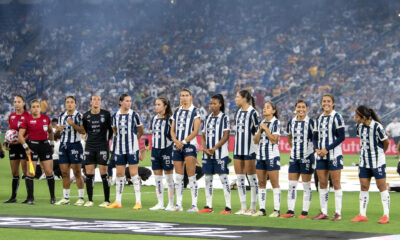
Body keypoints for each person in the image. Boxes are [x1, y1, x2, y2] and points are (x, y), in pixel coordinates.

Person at [351, 106, 390, 224]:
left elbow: (386, 142)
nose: (355, 119)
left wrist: (380, 154)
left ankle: (386, 215)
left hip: (377, 162)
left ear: (363, 117)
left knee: (381, 187)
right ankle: (362, 215)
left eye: (356, 116)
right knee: (363, 187)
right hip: (364, 162)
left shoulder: (377, 127)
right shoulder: (359, 127)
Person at [106, 94, 144, 210]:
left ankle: (138, 202)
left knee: (133, 174)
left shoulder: (134, 115)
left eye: (130, 101)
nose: (129, 103)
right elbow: (114, 130)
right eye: (127, 101)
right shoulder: (115, 116)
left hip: (132, 148)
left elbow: (140, 130)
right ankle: (118, 201)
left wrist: (133, 140)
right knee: (119, 174)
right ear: (120, 102)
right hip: (119, 148)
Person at [312, 94, 345, 221]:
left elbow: (342, 137)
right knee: (322, 183)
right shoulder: (318, 119)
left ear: (333, 104)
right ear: (321, 104)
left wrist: (327, 149)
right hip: (320, 156)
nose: (326, 103)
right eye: (324, 101)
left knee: (336, 183)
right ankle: (324, 212)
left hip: (334, 155)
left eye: (328, 101)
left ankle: (338, 213)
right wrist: (316, 149)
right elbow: (314, 137)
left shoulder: (337, 117)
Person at [280, 100, 314, 219]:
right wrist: (293, 148)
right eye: (298, 107)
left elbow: (315, 138)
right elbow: (289, 136)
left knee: (306, 185)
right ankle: (290, 211)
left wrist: (311, 151)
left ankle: (304, 212)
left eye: (303, 107)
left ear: (307, 109)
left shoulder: (310, 122)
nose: (301, 109)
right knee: (292, 185)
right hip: (294, 157)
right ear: (295, 108)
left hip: (307, 157)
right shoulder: (291, 122)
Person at [18, 99, 56, 204]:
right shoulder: (27, 119)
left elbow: (50, 132)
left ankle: (53, 198)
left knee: (49, 172)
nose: (35, 108)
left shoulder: (46, 118)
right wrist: (26, 148)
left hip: (45, 146)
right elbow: (20, 135)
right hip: (32, 147)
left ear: (40, 107)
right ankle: (30, 198)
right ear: (30, 109)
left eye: (37, 106)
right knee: (30, 173)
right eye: (33, 107)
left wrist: (52, 144)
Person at [199, 94, 232, 214]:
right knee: (207, 179)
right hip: (207, 154)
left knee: (223, 179)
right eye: (210, 103)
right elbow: (203, 135)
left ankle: (228, 207)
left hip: (220, 154)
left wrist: (214, 148)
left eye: (214, 103)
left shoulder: (224, 118)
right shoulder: (207, 118)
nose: (211, 105)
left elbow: (226, 135)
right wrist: (205, 148)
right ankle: (208, 205)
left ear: (220, 104)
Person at [170, 89, 201, 212]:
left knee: (191, 175)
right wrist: (176, 141)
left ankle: (194, 205)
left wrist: (183, 142)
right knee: (178, 177)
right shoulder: (177, 111)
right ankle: (178, 204)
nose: (184, 98)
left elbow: (195, 131)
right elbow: (172, 130)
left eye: (186, 95)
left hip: (189, 145)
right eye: (182, 96)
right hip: (177, 146)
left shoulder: (195, 111)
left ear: (191, 97)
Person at [82, 95, 113, 207]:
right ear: (91, 102)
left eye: (99, 99)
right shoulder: (86, 116)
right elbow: (85, 130)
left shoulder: (106, 114)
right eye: (94, 99)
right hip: (90, 146)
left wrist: (106, 142)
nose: (96, 101)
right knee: (89, 174)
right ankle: (90, 200)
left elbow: (111, 130)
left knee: (103, 173)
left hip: (102, 146)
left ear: (101, 102)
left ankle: (107, 200)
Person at [54, 96, 86, 206]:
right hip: (63, 145)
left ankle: (81, 197)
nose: (69, 104)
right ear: (65, 104)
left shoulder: (79, 116)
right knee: (64, 173)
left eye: (71, 102)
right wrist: (57, 131)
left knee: (77, 172)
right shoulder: (61, 116)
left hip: (75, 145)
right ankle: (66, 198)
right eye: (67, 102)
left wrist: (72, 124)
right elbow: (56, 135)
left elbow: (83, 131)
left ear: (75, 104)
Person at [233, 90, 260, 215]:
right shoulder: (238, 112)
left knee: (252, 178)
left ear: (244, 99)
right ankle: (243, 207)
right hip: (238, 149)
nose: (236, 99)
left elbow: (258, 131)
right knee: (240, 179)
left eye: (237, 97)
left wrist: (255, 147)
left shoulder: (253, 112)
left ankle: (253, 207)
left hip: (249, 149)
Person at [253, 101, 281, 217]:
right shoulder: (262, 123)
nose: (264, 109)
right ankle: (262, 209)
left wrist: (266, 129)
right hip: (260, 156)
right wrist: (260, 129)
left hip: (272, 156)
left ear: (273, 111)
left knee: (274, 183)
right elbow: (255, 141)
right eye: (264, 107)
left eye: (268, 107)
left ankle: (276, 210)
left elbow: (274, 140)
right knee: (261, 183)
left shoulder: (276, 122)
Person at [148, 97, 175, 211]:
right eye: (156, 104)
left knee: (169, 178)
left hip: (167, 150)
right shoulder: (154, 118)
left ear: (165, 106)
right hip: (155, 150)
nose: (156, 106)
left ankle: (171, 203)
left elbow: (173, 135)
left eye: (159, 104)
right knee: (157, 179)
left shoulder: (170, 119)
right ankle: (160, 203)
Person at [3, 95, 30, 203]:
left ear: (24, 103)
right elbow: (10, 128)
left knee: (25, 172)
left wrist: (21, 140)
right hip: (13, 146)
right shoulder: (12, 116)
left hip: (23, 146)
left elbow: (30, 131)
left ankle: (29, 197)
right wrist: (6, 141)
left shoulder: (28, 115)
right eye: (15, 102)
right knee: (14, 172)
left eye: (19, 102)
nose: (16, 104)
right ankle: (13, 197)